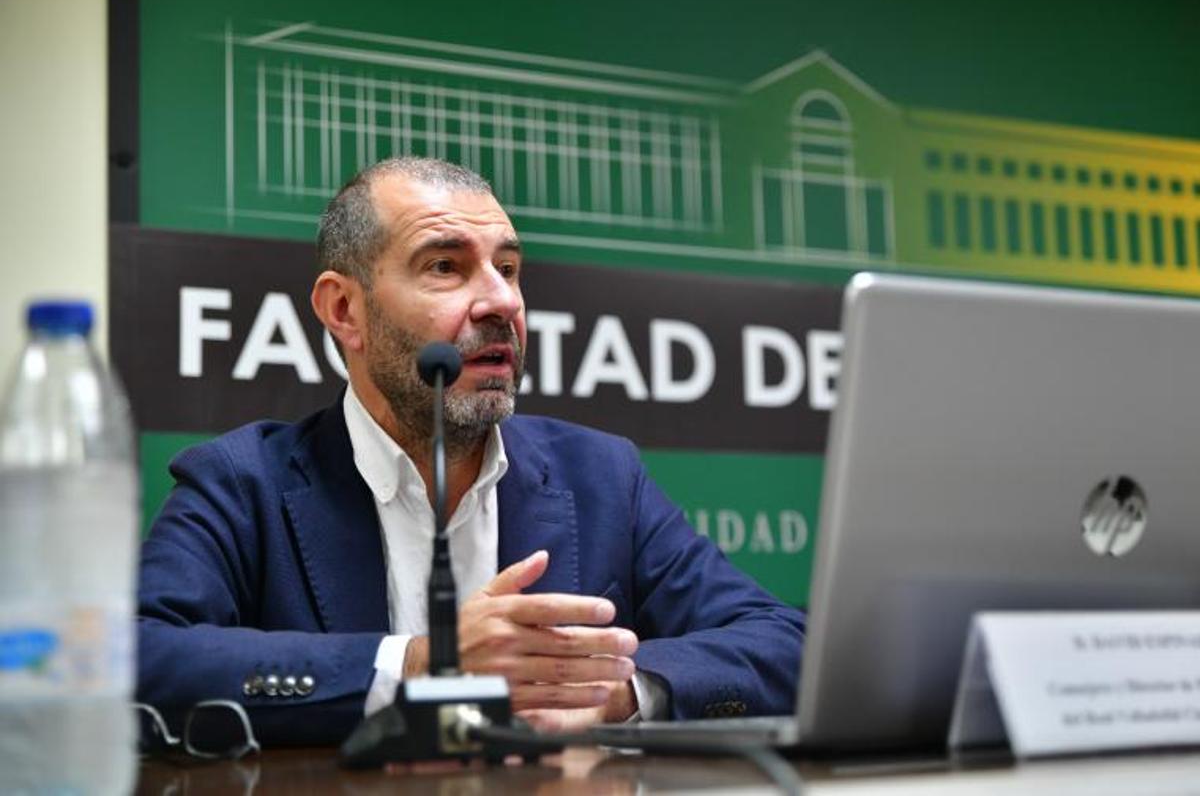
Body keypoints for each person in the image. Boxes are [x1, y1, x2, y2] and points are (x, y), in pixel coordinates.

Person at [137, 157, 806, 746]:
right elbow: (137, 657)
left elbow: (786, 645)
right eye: (445, 267)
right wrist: (422, 666)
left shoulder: (601, 476)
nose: (500, 300)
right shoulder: (242, 483)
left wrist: (617, 693)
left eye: (508, 269)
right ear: (345, 310)